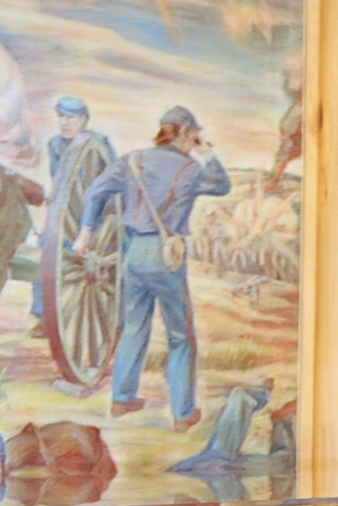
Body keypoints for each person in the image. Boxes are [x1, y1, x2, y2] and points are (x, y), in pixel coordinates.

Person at [75, 105, 231, 433]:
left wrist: (86, 231)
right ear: (186, 133)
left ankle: (122, 398)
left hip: (132, 255)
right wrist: (210, 151)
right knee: (180, 335)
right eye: (194, 135)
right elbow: (222, 185)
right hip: (165, 256)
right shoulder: (191, 169)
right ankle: (184, 413)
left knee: (134, 326)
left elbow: (95, 193)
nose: (195, 141)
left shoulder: (133, 161)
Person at [31, 96, 114, 337]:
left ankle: (117, 320)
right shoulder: (56, 145)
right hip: (70, 219)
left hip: (100, 220)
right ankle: (41, 316)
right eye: (61, 117)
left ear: (84, 120)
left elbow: (105, 190)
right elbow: (60, 187)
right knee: (44, 247)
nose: (65, 123)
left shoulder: (99, 144)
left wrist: (88, 231)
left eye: (71, 118)